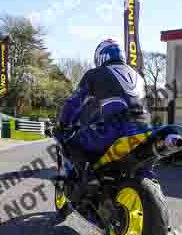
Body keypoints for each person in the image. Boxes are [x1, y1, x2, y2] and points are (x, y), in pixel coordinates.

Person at [56, 39, 151, 182]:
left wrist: (63, 124)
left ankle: (88, 181)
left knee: (72, 143)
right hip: (145, 129)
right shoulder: (139, 76)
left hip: (115, 130)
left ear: (100, 56)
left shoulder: (96, 73)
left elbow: (74, 102)